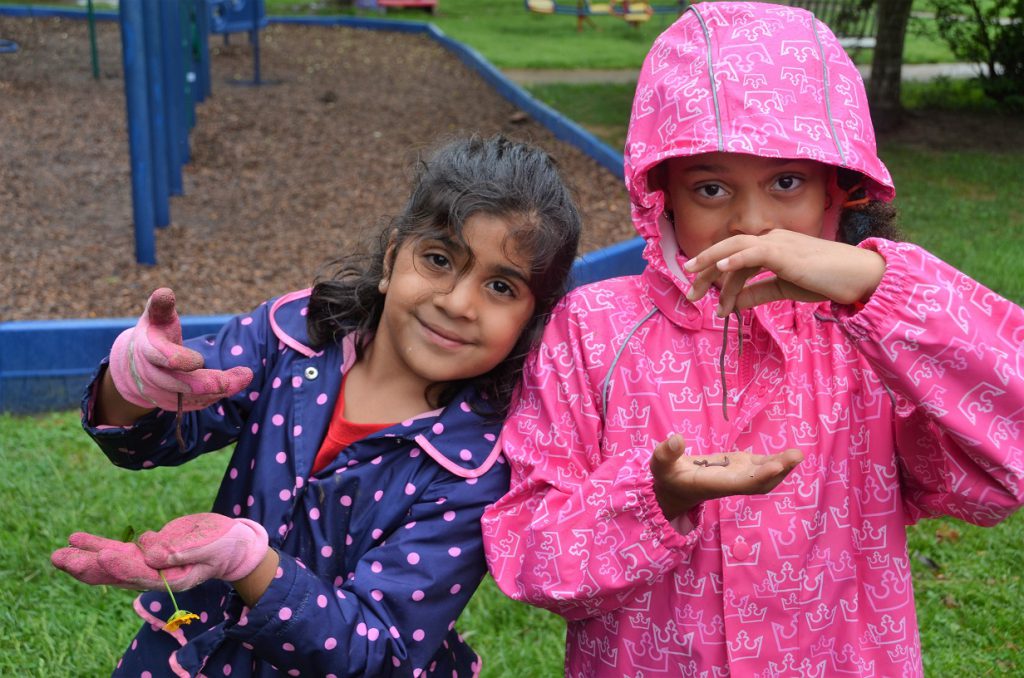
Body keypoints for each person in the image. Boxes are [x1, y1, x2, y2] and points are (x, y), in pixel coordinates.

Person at [480, 4, 1024, 676]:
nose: (754, 221)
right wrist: (656, 501)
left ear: (837, 186)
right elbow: (529, 556)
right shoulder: (592, 332)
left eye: (787, 182)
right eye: (712, 187)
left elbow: (1002, 461)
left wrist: (876, 284)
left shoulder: (872, 335)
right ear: (662, 193)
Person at [51, 134, 582, 677]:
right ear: (393, 255)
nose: (457, 302)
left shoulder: (476, 467)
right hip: (197, 647)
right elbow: (154, 437)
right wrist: (135, 383)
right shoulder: (295, 334)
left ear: (532, 320)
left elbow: (381, 651)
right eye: (440, 259)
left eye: (500, 286)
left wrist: (249, 563)